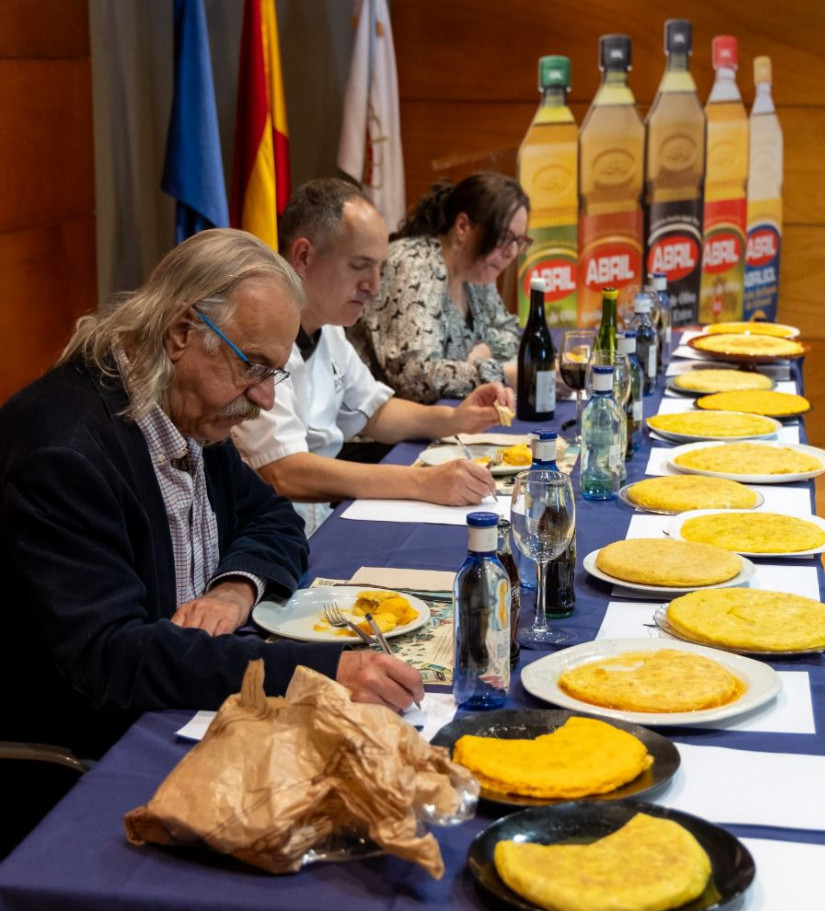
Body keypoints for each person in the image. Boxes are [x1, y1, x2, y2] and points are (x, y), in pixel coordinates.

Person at [0, 229, 423, 761]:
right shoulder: (64, 454)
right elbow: (112, 659)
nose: (266, 399)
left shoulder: (187, 405)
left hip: (179, 696)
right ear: (181, 332)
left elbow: (273, 517)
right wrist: (318, 672)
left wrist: (234, 589)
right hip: (96, 751)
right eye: (252, 366)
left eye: (275, 373)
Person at [232, 178, 513, 536]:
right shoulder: (255, 335)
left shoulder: (328, 327)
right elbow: (282, 471)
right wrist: (421, 483)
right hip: (265, 537)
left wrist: (456, 418)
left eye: (378, 267)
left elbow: (375, 412)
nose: (375, 285)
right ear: (304, 256)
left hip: (319, 523)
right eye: (359, 266)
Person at [348, 171, 529, 403]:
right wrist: (502, 374)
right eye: (503, 237)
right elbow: (414, 377)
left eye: (519, 241)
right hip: (381, 429)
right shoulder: (413, 264)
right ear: (463, 226)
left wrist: (480, 354)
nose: (512, 252)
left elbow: (509, 332)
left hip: (438, 418)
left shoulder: (476, 272)